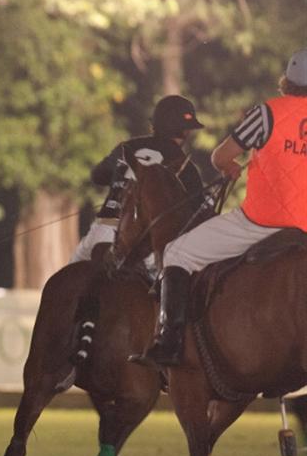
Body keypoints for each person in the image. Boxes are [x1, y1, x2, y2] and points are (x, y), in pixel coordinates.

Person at [132, 49, 307, 368]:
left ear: (287, 82)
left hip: (259, 224)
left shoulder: (267, 113)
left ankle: (168, 343)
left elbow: (220, 156)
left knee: (176, 253)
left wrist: (232, 166)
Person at [71, 95, 205, 265]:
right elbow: (197, 212)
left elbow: (98, 176)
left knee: (69, 275)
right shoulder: (185, 166)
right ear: (185, 131)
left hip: (103, 230)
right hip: (144, 242)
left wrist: (120, 179)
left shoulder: (126, 147)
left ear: (155, 124)